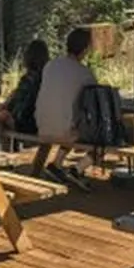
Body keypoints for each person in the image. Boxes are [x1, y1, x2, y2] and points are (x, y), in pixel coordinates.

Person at [35, 27, 98, 189]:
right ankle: (78, 169)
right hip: (65, 131)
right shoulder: (85, 74)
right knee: (108, 136)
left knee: (69, 120)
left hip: (42, 126)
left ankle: (56, 165)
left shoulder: (50, 65)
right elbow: (93, 103)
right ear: (86, 49)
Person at [0, 39, 49, 134]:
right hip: (36, 121)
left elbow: (22, 102)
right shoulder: (44, 77)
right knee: (3, 115)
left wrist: (7, 107)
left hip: (30, 124)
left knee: (4, 116)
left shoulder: (30, 80)